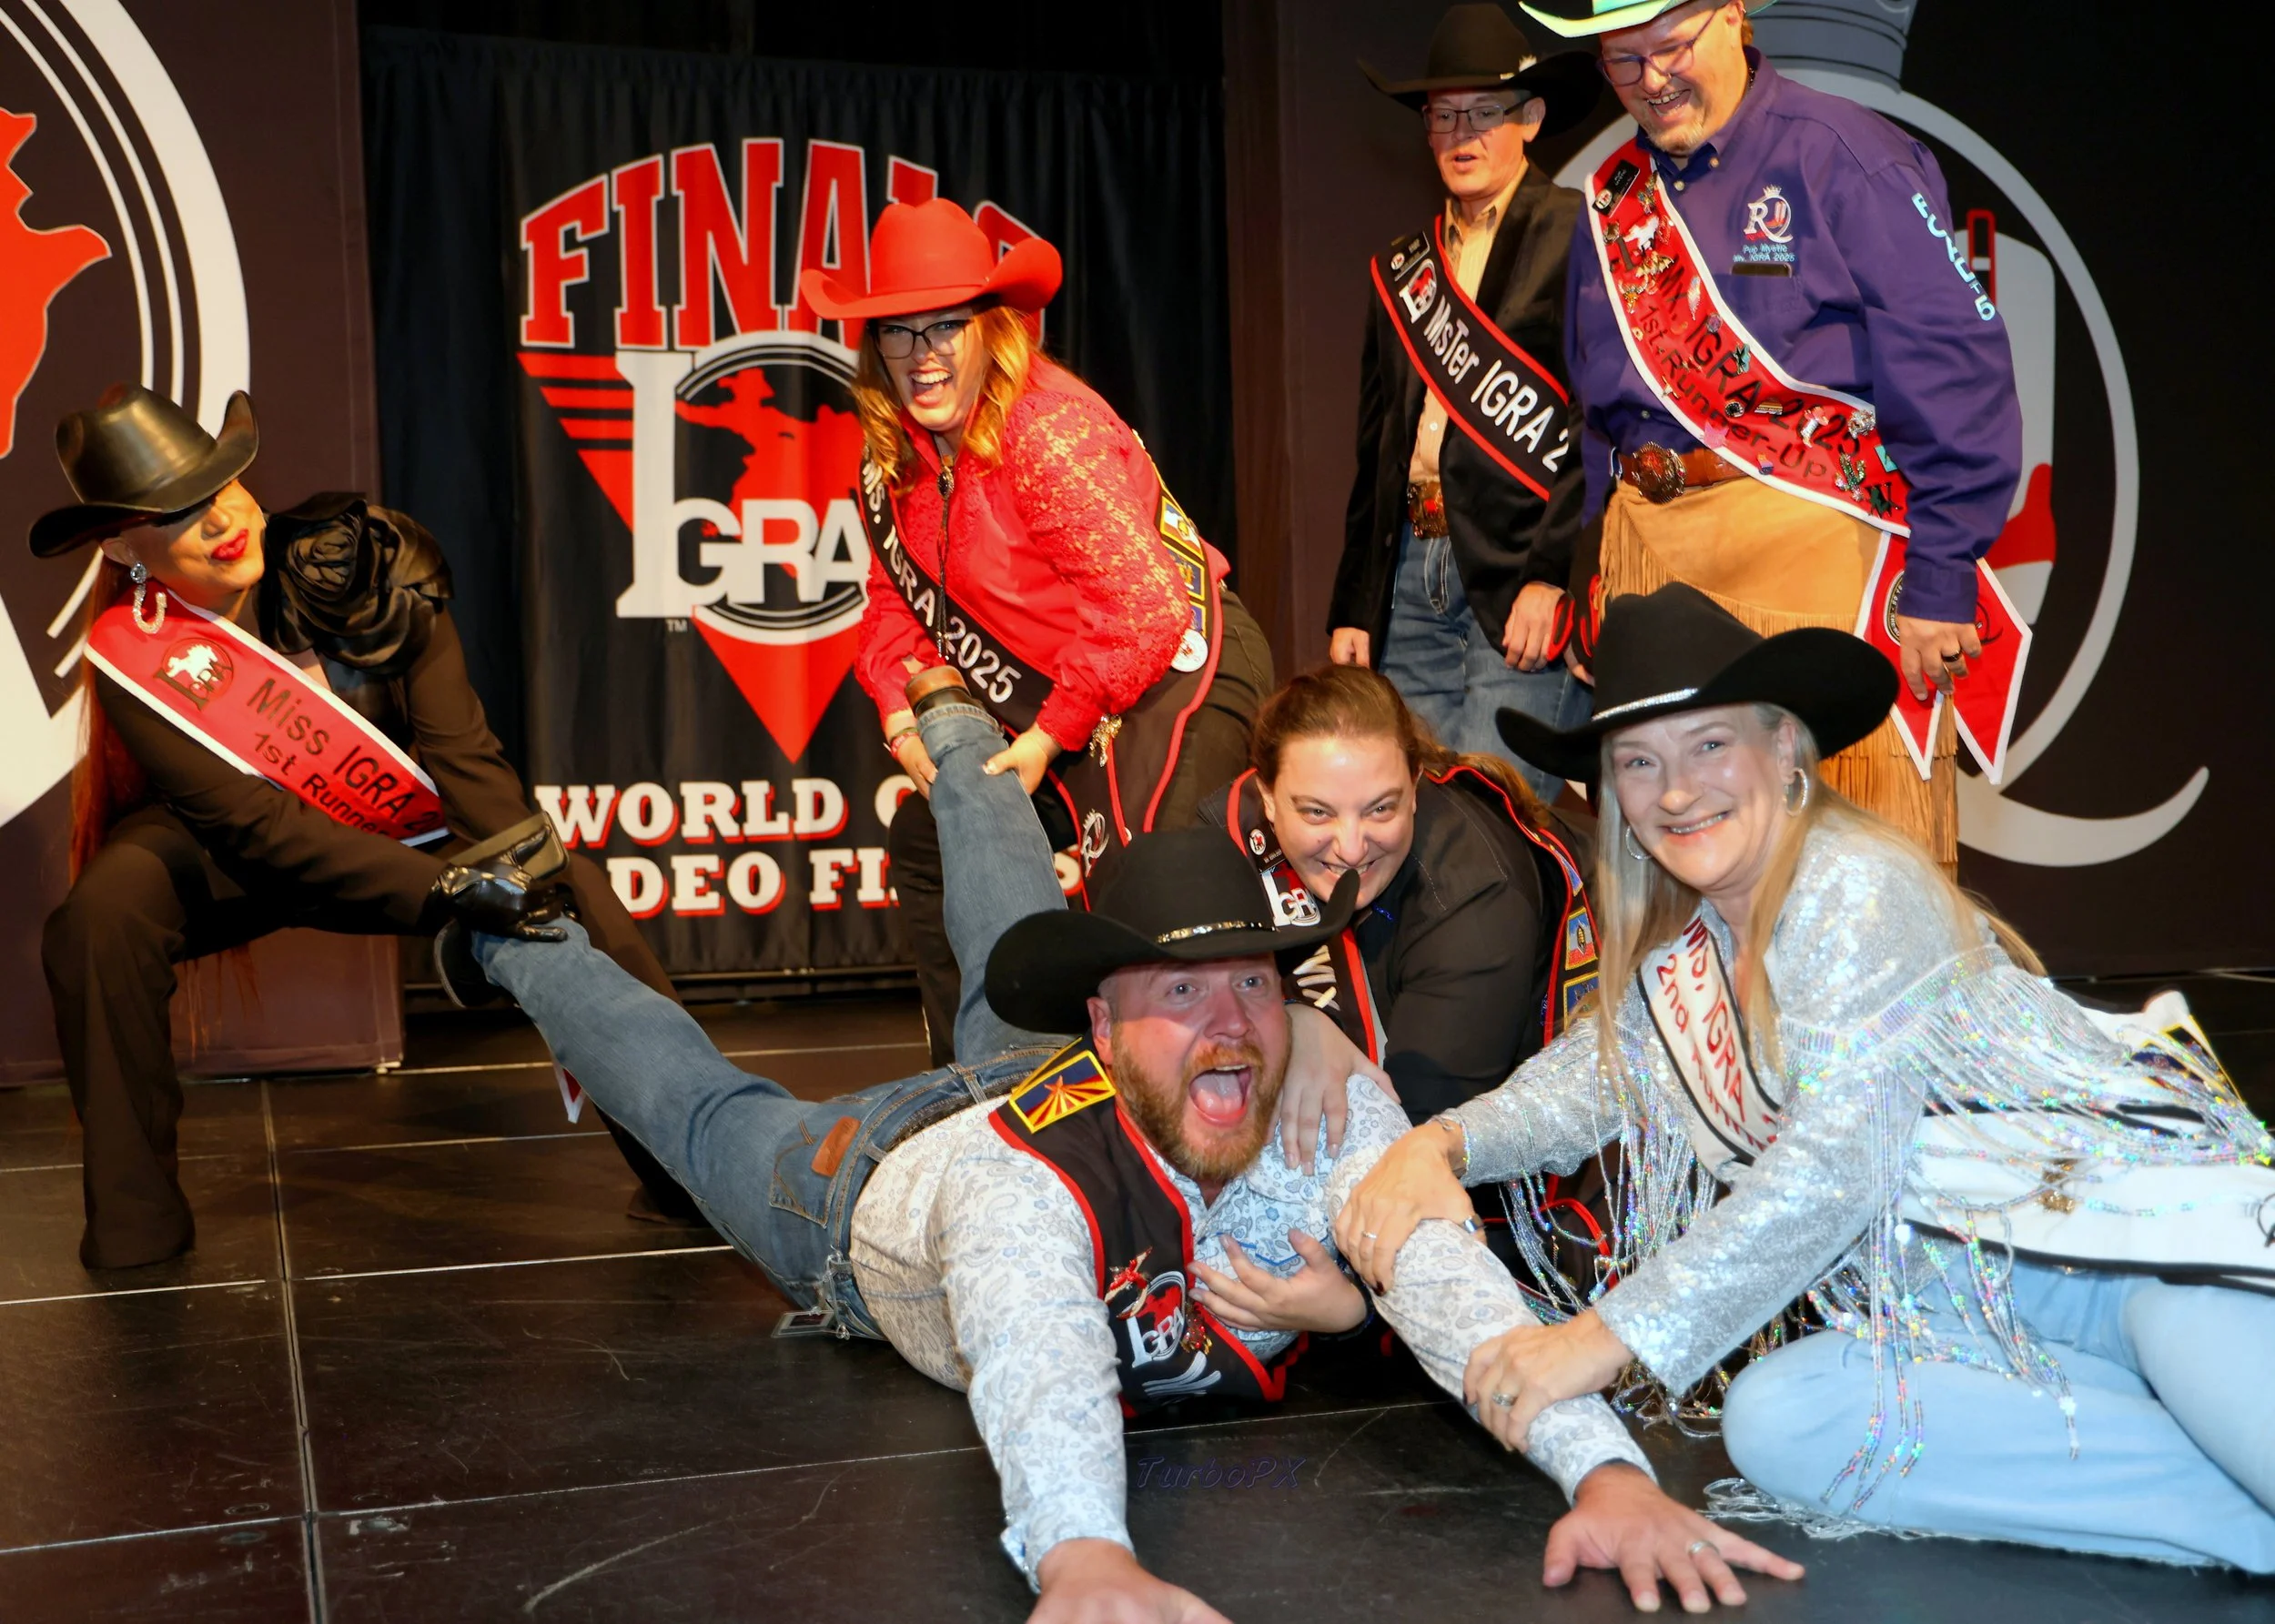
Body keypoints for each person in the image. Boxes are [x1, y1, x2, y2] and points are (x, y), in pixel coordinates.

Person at [433, 668, 1803, 1619]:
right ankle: (511, 940)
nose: (1229, 1025)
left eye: (1254, 984)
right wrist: (1083, 1554)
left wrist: (1605, 1471)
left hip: (1070, 1076)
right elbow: (1039, 1362)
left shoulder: (1320, 1105)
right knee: (699, 1107)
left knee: (1004, 934)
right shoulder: (1017, 1187)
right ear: (1105, 1018)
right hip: (868, 1188)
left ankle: (958, 735)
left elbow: (1451, 1286)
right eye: (1182, 991)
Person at [1340, 583, 2275, 1570]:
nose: (1674, 792)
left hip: (2152, 1265)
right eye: (1639, 762)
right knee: (1782, 1417)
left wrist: (1599, 1338)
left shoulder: (1856, 885)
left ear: (1784, 746)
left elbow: (1835, 1168)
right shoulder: (1694, 949)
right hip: (1972, 1328)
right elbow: (1588, 1083)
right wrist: (1440, 1143)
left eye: (1709, 745)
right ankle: (2239, 1522)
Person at [31, 384, 698, 1270]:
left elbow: (462, 755)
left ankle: (693, 1170)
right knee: (99, 917)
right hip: (243, 850)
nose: (221, 519)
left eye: (223, 485)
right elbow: (254, 827)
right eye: (177, 511)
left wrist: (522, 875)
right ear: (123, 547)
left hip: (403, 833)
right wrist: (448, 892)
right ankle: (135, 1228)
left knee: (574, 890)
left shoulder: (362, 567)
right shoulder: (135, 652)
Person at [1524, 0, 2023, 867]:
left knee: (1849, 861)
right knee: (1673, 870)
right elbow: (1599, 415)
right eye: (1622, 62)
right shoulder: (1611, 197)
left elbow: (1955, 370)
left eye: (1670, 47)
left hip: (1810, 546)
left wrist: (1941, 576)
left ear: (1733, 15)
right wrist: (1596, 569)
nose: (1651, 80)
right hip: (1649, 566)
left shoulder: (1845, 155)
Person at [804, 198, 1273, 1064]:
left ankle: (1186, 1099)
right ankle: (976, 1086)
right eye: (898, 331)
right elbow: (892, 603)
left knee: (1155, 889)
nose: (922, 354)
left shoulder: (1045, 430)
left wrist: (1051, 735)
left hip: (1175, 672)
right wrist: (899, 715)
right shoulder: (891, 453)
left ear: (994, 328)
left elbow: (1147, 613)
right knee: (926, 838)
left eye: (946, 325)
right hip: (1070, 699)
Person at [1330, 5, 1602, 803]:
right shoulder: (1401, 268)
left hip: (1518, 576)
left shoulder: (1578, 234)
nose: (1462, 134)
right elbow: (1376, 449)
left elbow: (1597, 425)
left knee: (1495, 819)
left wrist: (1554, 575)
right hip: (1409, 577)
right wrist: (1355, 604)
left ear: (1531, 119)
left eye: (1484, 112)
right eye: (1443, 115)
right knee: (1410, 819)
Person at [1205, 663, 1598, 1125]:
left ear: (1414, 786)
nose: (1351, 848)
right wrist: (1294, 1018)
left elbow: (1415, 1135)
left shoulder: (1472, 910)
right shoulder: (1235, 830)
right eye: (1317, 813)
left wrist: (1285, 1026)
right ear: (1268, 797)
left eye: (1380, 809)